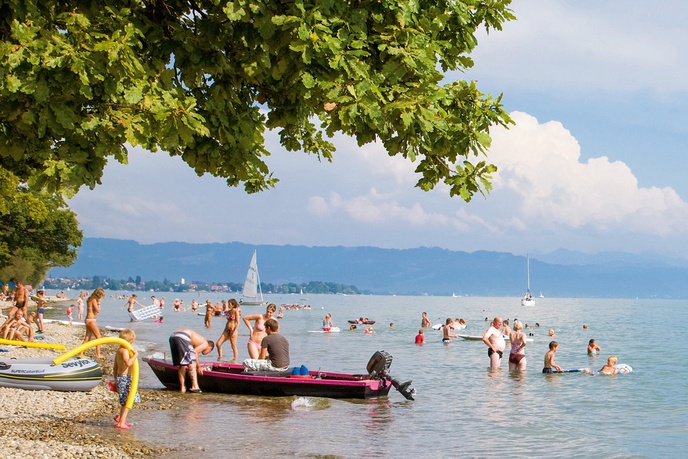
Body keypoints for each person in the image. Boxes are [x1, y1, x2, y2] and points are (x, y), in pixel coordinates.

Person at [168, 328, 215, 393]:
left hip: (173, 336)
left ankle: (182, 388)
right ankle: (195, 387)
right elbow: (195, 353)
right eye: (209, 352)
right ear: (210, 348)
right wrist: (199, 367)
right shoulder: (205, 344)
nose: (207, 353)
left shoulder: (195, 342)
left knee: (182, 364)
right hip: (183, 336)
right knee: (192, 363)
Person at [113, 329, 140, 429]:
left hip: (122, 378)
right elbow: (128, 363)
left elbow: (115, 367)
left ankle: (121, 418)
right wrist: (136, 355)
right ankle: (121, 422)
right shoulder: (124, 351)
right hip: (125, 378)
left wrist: (115, 379)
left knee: (126, 400)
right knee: (128, 400)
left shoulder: (119, 350)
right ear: (131, 341)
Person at [81, 288, 105, 359]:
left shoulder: (89, 299)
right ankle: (98, 354)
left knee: (87, 338)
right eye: (101, 296)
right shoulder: (94, 300)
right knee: (98, 337)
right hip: (91, 320)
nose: (101, 297)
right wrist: (99, 303)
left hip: (88, 319)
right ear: (98, 295)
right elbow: (98, 310)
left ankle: (81, 352)